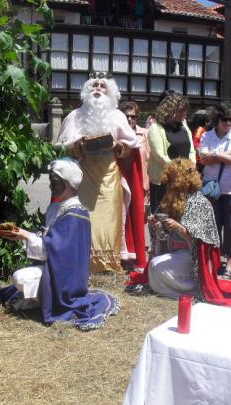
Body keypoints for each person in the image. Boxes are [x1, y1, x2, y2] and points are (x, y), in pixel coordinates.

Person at [0, 158, 119, 330]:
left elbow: (53, 249)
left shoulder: (75, 214)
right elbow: (50, 240)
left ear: (67, 183)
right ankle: (40, 298)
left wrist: (26, 236)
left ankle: (44, 300)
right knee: (21, 279)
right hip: (56, 268)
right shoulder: (56, 208)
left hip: (67, 277)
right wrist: (23, 235)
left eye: (54, 181)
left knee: (20, 277)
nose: (50, 185)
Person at [55, 74, 142, 273]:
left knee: (110, 218)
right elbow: (62, 148)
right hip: (83, 176)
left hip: (109, 176)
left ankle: (108, 264)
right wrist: (79, 144)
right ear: (87, 90)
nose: (98, 88)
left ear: (110, 92)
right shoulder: (75, 116)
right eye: (94, 85)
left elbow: (130, 148)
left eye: (103, 86)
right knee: (84, 218)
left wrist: (116, 145)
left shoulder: (117, 116)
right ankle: (84, 261)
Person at [147, 159, 220, 299]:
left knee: (156, 266)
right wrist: (156, 226)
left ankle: (186, 291)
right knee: (154, 265)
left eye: (174, 180)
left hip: (192, 257)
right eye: (169, 180)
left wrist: (179, 228)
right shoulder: (169, 200)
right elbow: (163, 238)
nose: (170, 185)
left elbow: (203, 243)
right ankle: (168, 290)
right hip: (174, 252)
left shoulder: (200, 203)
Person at [198, 104, 231, 279]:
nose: (228, 123)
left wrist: (216, 155)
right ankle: (214, 261)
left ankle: (230, 264)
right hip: (212, 188)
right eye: (224, 119)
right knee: (213, 226)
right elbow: (203, 160)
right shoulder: (207, 135)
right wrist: (228, 154)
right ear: (217, 120)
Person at [147, 93, 196, 213]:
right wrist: (179, 170)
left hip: (184, 179)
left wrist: (191, 166)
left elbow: (191, 150)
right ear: (171, 110)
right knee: (162, 218)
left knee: (182, 217)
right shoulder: (155, 128)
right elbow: (159, 155)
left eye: (185, 110)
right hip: (164, 182)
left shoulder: (184, 126)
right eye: (181, 110)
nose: (184, 113)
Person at [120, 100, 150, 213]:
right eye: (126, 116)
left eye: (133, 116)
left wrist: (148, 185)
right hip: (122, 182)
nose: (129, 119)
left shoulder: (145, 133)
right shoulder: (116, 134)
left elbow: (150, 159)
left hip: (141, 183)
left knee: (140, 216)